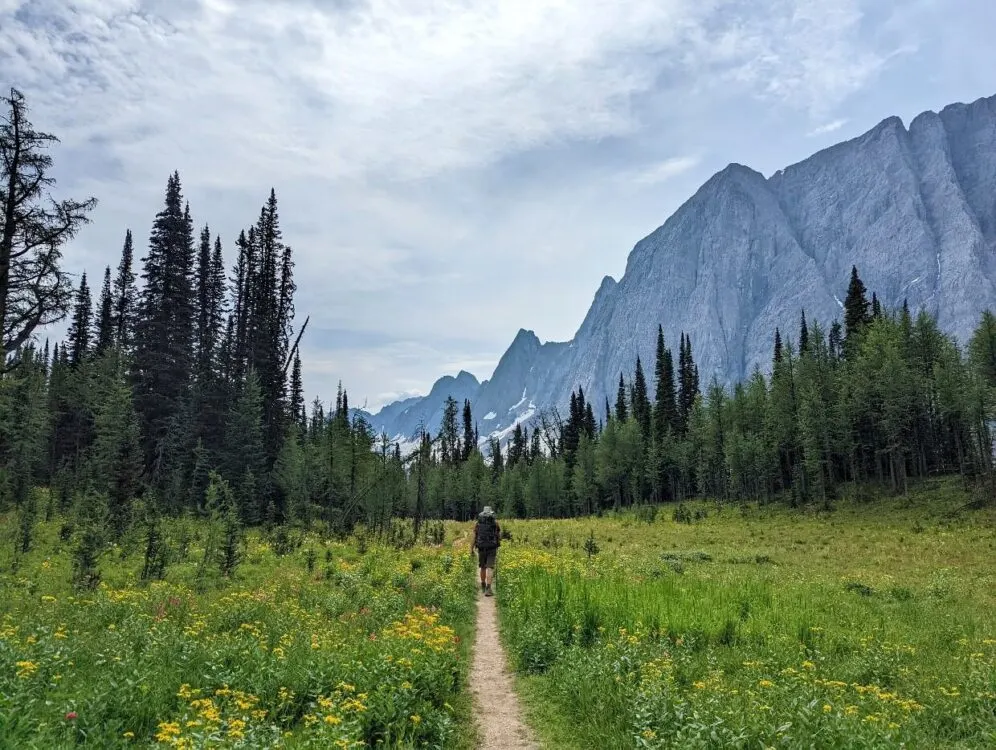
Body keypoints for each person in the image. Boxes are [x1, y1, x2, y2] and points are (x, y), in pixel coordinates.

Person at [471, 505, 501, 596]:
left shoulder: (478, 524)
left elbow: (474, 537)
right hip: (492, 548)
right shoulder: (495, 523)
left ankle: (483, 585)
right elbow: (498, 535)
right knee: (490, 568)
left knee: (482, 567)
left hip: (481, 547)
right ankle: (488, 588)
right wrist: (498, 544)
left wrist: (471, 549)